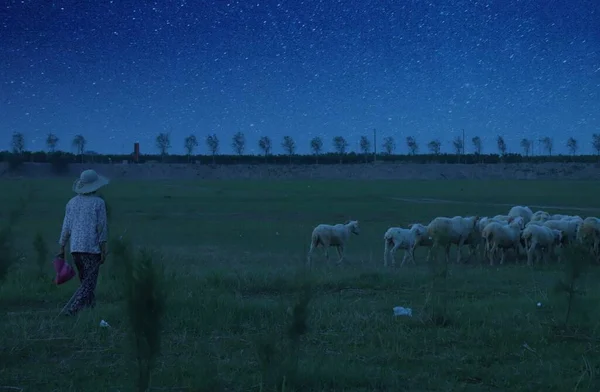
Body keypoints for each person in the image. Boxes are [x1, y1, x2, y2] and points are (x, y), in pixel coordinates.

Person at [58, 169, 110, 315]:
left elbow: (66, 227)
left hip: (75, 249)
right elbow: (101, 228)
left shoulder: (71, 203)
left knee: (85, 282)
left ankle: (91, 310)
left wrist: (62, 247)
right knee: (88, 284)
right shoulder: (98, 203)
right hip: (91, 250)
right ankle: (73, 309)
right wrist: (103, 249)